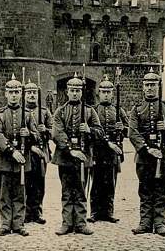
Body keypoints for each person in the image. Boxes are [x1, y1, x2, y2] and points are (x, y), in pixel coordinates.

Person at [128, 69, 165, 237]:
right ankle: (145, 223)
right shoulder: (137, 109)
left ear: (158, 87)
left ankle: (160, 224)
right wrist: (147, 149)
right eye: (147, 85)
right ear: (143, 87)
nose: (150, 88)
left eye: (153, 85)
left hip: (164, 157)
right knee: (145, 191)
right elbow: (132, 132)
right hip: (144, 158)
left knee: (161, 191)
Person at [52, 74, 103, 236]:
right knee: (67, 192)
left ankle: (81, 223)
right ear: (67, 92)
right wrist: (71, 149)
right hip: (66, 159)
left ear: (82, 92)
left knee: (81, 191)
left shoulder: (89, 111)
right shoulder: (60, 111)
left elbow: (100, 132)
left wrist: (89, 130)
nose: (75, 93)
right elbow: (57, 133)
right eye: (72, 90)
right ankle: (67, 223)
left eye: (78, 90)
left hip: (84, 159)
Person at [0, 74, 40, 237]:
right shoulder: (0, 114)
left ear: (21, 94)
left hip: (22, 162)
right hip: (5, 160)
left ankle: (18, 224)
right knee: (4, 194)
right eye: (11, 92)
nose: (13, 95)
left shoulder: (27, 114)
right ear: (6, 94)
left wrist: (30, 135)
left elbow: (37, 135)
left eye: (17, 92)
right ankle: (5, 224)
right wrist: (13, 151)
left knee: (20, 193)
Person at [88, 76, 128, 223]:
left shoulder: (119, 111)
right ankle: (94, 212)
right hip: (97, 151)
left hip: (113, 152)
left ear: (112, 93)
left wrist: (122, 128)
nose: (106, 94)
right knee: (96, 183)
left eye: (108, 92)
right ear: (99, 93)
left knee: (110, 183)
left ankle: (108, 212)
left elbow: (129, 130)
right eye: (103, 91)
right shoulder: (93, 110)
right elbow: (90, 130)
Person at [23, 80, 53, 225]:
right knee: (26, 182)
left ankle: (37, 211)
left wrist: (45, 130)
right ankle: (26, 212)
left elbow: (53, 131)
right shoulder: (21, 111)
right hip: (26, 152)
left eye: (34, 93)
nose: (31, 95)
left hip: (41, 152)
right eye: (29, 93)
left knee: (39, 183)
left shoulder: (44, 112)